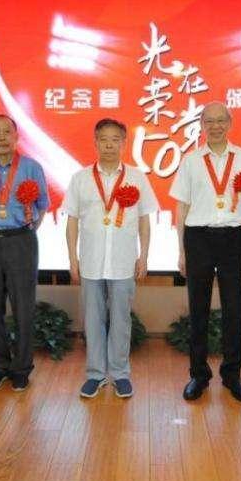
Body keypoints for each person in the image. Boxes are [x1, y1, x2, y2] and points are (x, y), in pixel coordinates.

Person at [170, 102, 241, 403]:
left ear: (230, 123)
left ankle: (233, 374)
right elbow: (181, 207)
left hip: (234, 239)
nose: (215, 126)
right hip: (198, 238)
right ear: (201, 125)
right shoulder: (191, 161)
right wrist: (182, 250)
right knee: (198, 308)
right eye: (209, 121)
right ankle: (198, 375)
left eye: (221, 120)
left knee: (234, 309)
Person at [65, 118, 158, 399]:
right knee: (92, 320)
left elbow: (144, 220)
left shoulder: (136, 177)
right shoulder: (80, 178)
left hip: (123, 261)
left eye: (115, 139)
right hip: (91, 261)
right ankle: (95, 374)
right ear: (95, 142)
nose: (109, 145)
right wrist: (72, 259)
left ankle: (119, 374)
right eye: (103, 139)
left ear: (123, 143)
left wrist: (144, 256)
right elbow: (72, 221)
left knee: (121, 319)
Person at [0, 114, 50, 392]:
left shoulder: (31, 168)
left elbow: (43, 205)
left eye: (7, 132)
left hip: (21, 241)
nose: (2, 137)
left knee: (23, 307)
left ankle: (22, 368)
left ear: (16, 136)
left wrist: (27, 231)